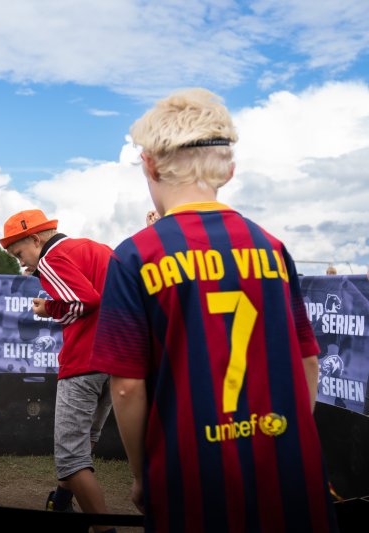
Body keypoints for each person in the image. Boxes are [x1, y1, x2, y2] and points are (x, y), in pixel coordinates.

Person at [91, 88, 337, 532]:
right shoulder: (272, 247)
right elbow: (308, 362)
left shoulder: (135, 257)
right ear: (229, 169)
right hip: (288, 474)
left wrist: (142, 473)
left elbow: (126, 389)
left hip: (191, 480)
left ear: (148, 163)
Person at [0, 209, 115, 530]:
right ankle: (61, 501)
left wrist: (49, 307)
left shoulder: (51, 258)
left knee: (70, 458)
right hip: (115, 360)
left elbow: (85, 300)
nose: (22, 264)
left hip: (83, 361)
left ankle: (105, 528)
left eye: (20, 253)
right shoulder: (95, 248)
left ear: (36, 239)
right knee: (85, 439)